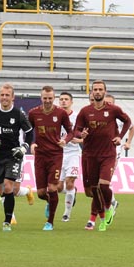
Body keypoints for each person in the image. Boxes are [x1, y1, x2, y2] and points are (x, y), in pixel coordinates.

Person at [74, 80, 132, 231]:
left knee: (104, 185)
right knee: (94, 190)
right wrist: (81, 134)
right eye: (95, 89)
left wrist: (120, 136)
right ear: (92, 92)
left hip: (108, 154)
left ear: (105, 92)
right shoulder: (85, 111)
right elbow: (76, 130)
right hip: (90, 154)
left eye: (100, 89)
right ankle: (101, 218)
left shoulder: (113, 109)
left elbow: (128, 122)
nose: (98, 92)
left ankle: (108, 207)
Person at [0, 83, 33, 232]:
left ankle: (7, 221)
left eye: (7, 95)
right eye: (2, 95)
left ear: (12, 97)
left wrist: (24, 147)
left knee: (9, 186)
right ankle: (26, 192)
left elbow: (29, 132)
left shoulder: (18, 114)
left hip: (13, 155)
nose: (4, 98)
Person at [28, 86, 73, 230]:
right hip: (40, 156)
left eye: (50, 98)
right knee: (41, 193)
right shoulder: (33, 113)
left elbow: (71, 132)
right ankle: (50, 202)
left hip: (55, 155)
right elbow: (28, 132)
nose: (47, 101)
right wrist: (32, 143)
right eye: (45, 98)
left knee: (52, 187)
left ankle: (50, 222)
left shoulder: (61, 113)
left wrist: (65, 140)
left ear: (54, 98)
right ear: (41, 98)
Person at [58, 91, 81, 222]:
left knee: (69, 182)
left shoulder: (77, 117)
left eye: (66, 99)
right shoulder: (55, 116)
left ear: (71, 102)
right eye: (61, 99)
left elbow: (86, 136)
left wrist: (78, 140)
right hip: (58, 154)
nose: (63, 101)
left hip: (73, 154)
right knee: (58, 187)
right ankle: (72, 192)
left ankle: (67, 213)